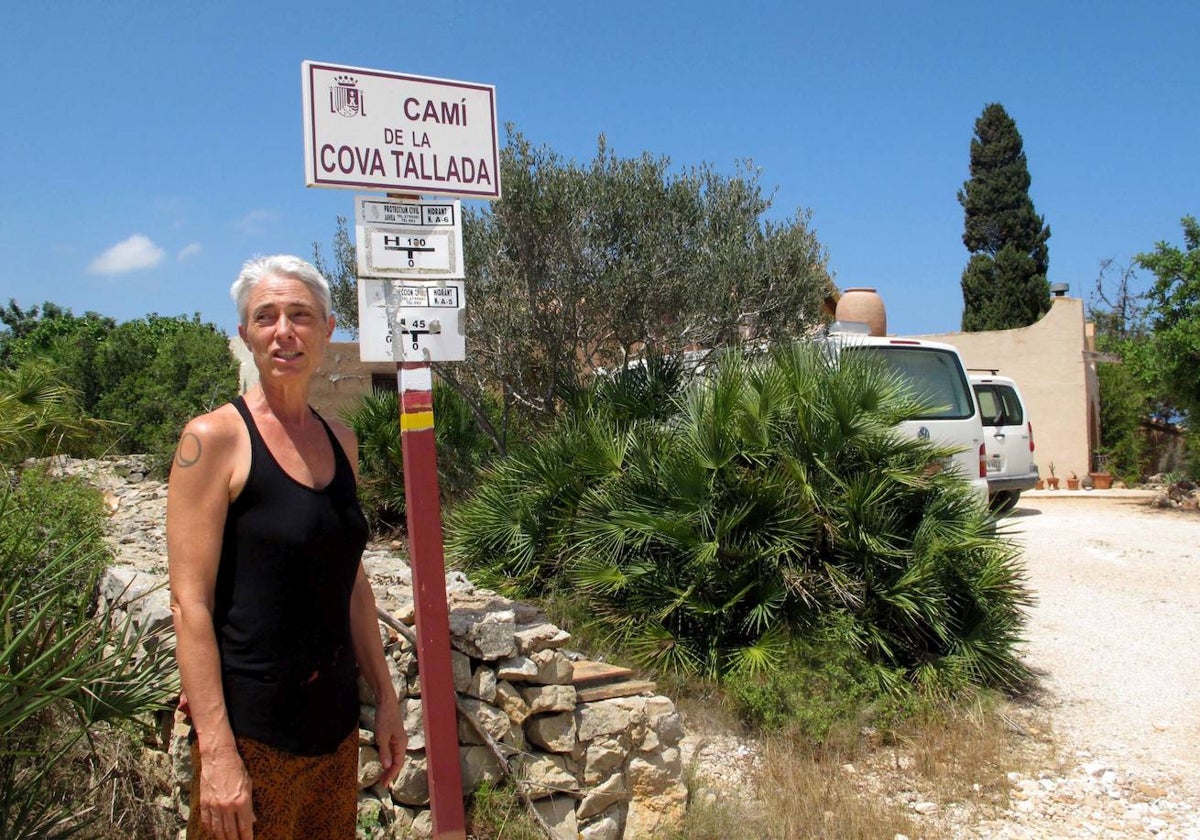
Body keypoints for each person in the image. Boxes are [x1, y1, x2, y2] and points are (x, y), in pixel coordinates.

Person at [167, 255, 405, 840]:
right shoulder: (214, 439)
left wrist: (386, 695)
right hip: (251, 734)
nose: (283, 331)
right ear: (246, 333)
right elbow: (188, 604)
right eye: (265, 316)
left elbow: (351, 581)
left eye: (300, 314)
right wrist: (217, 751)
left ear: (327, 329)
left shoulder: (340, 440)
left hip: (333, 727)